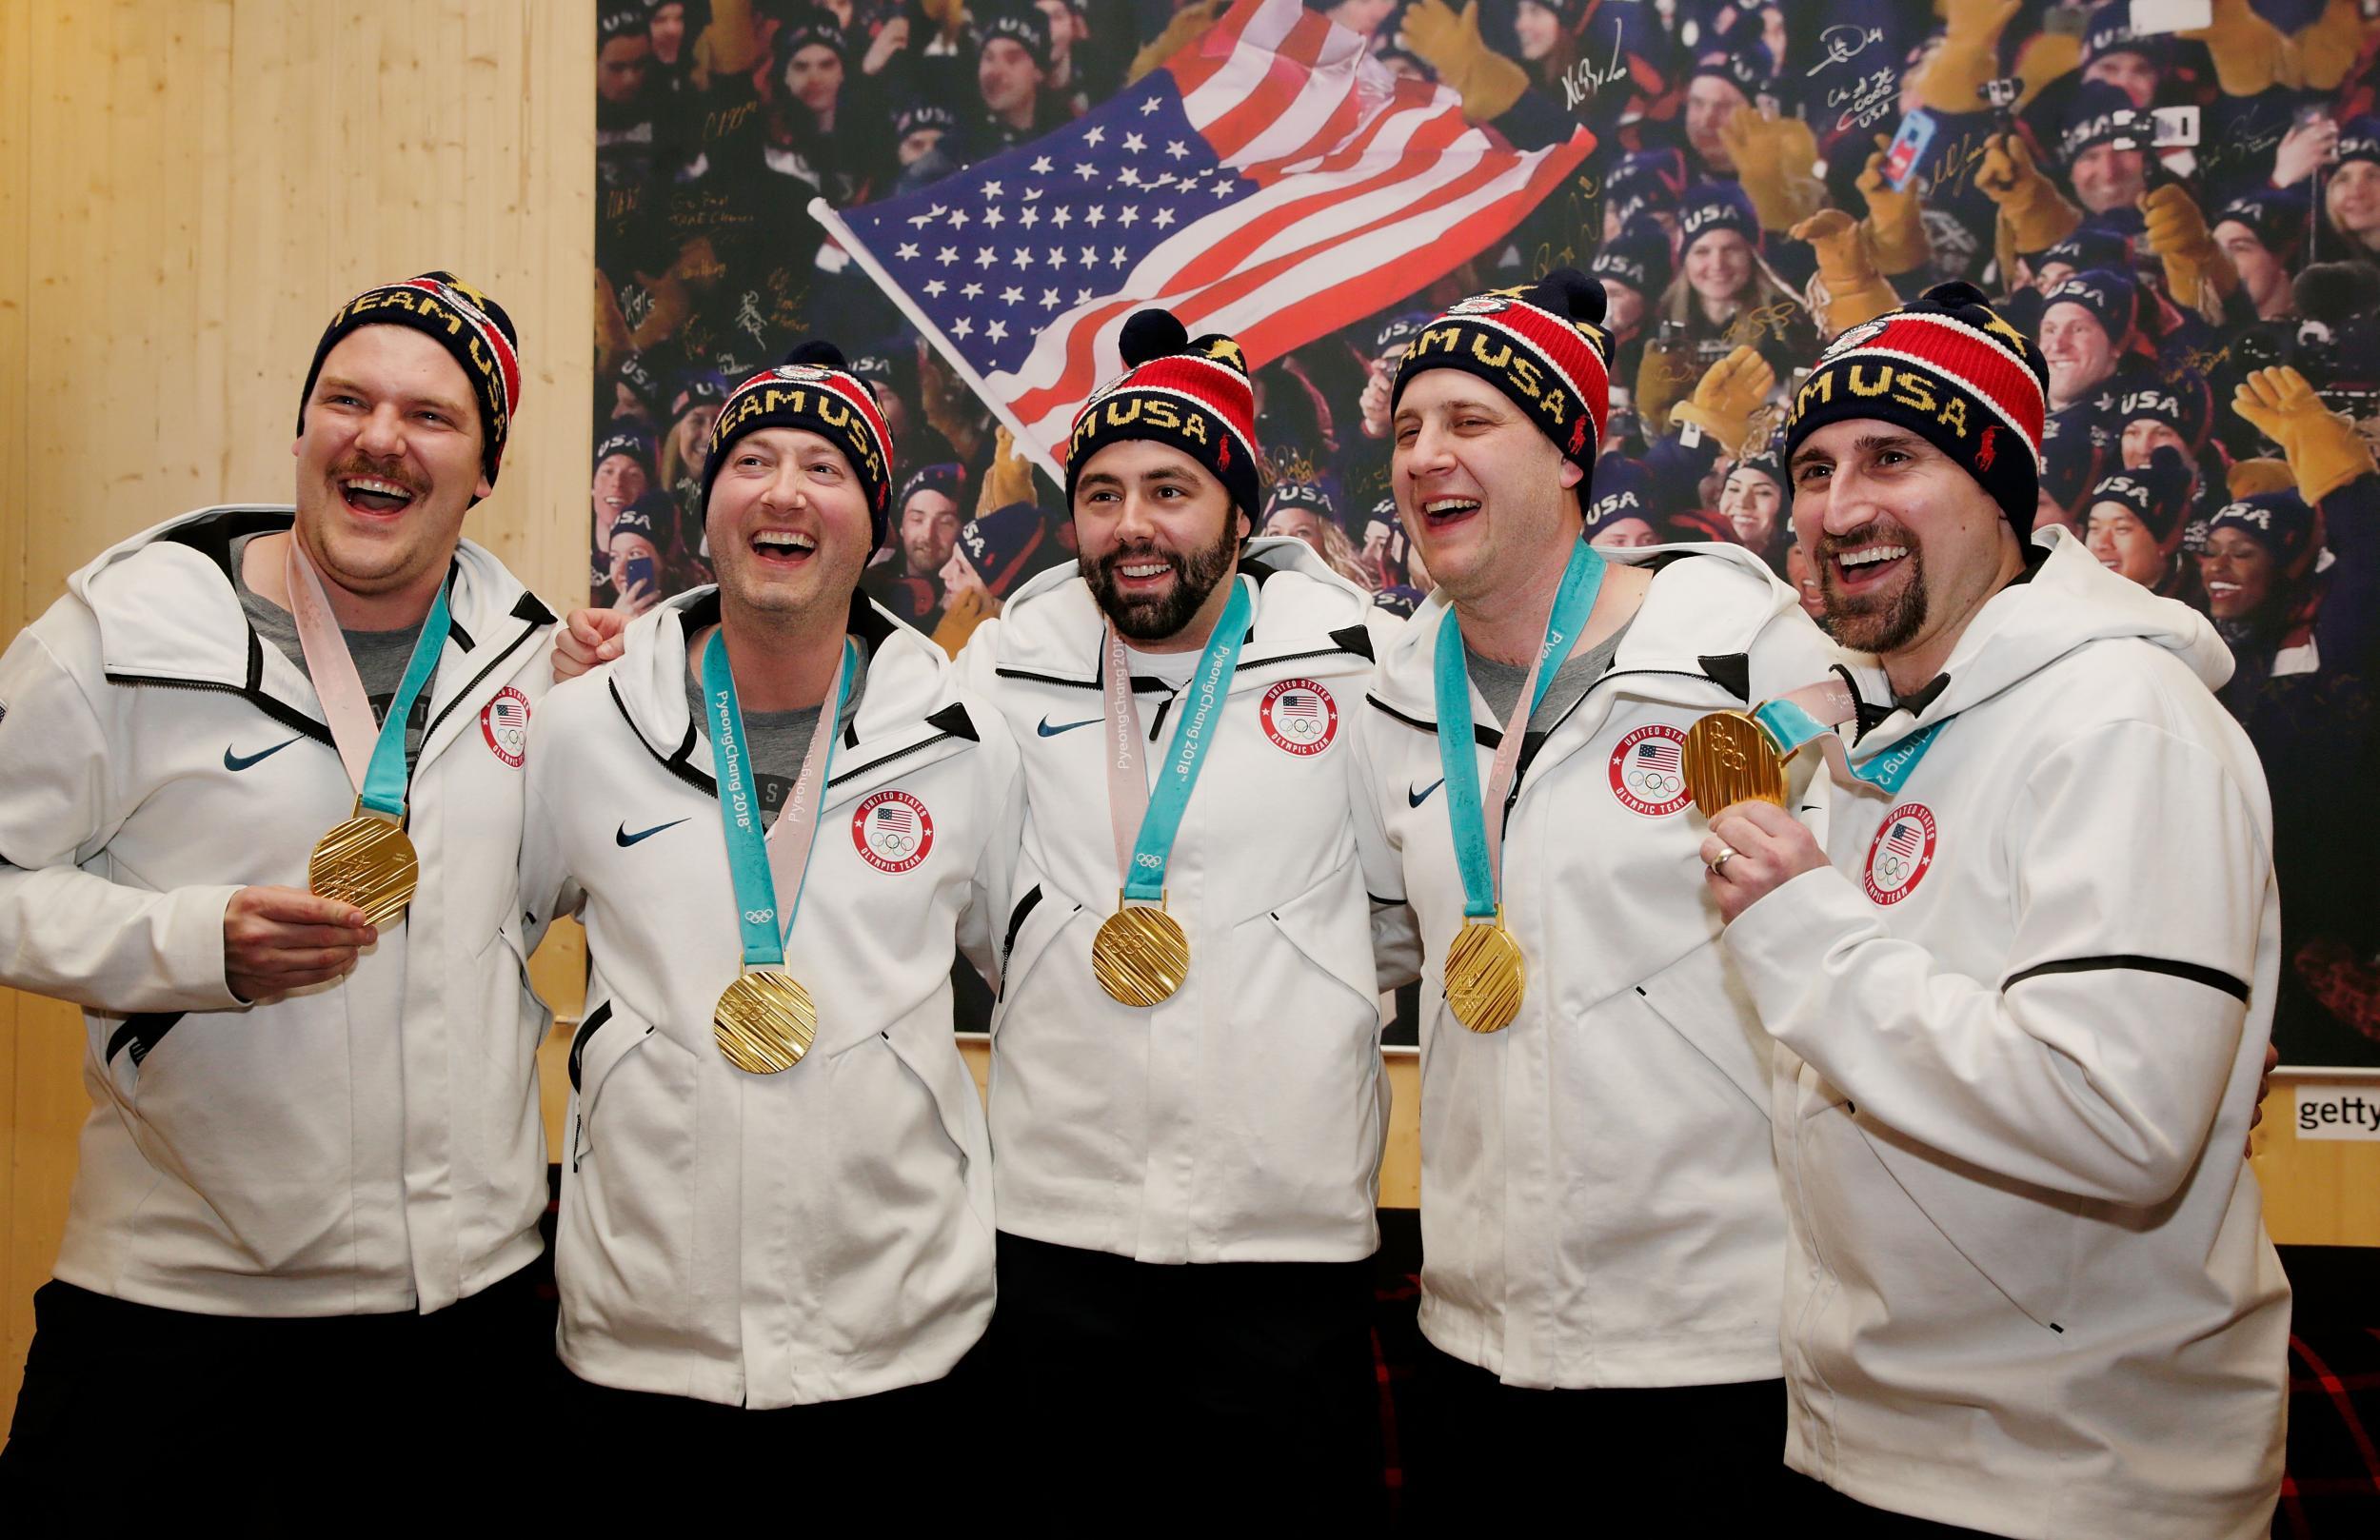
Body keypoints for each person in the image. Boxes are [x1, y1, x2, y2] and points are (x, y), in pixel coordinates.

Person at [1702, 280, 2289, 1535]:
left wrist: (1804, 928)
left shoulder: (2125, 719)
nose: (1838, 505)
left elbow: (2120, 1118)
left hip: (2075, 1485)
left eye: (1893, 458)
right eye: (1810, 468)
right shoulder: (1869, 729)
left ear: (2004, 491)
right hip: (1872, 1446)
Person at [0, 273, 559, 1510]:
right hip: (179, 1314)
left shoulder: (536, 660)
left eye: (431, 416)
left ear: (483, 470)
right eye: (346, 399)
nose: (378, 436)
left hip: (469, 1314)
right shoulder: (123, 632)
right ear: (303, 430)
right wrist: (190, 943)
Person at [1348, 269, 1838, 1523]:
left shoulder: (1743, 652)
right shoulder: (1394, 698)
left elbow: (1872, 927)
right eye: (1406, 430)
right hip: (1476, 1340)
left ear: (1571, 452)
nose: (1424, 456)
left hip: (1717, 1353)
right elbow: (1381, 938)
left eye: (1468, 422)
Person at [517, 343, 1020, 1492]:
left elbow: (1016, 960)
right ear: (706, 513)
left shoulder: (960, 739)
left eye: (825, 468)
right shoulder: (583, 727)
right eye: (753, 459)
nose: (785, 490)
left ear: (877, 528)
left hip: (903, 1346)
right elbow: (479, 933)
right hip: (640, 1349)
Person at [954, 308, 1399, 1520]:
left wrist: (1306, 970)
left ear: (1240, 512)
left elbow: (1407, 904)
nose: (1132, 525)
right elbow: (970, 896)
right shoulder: (1004, 660)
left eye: (1171, 489)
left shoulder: (1360, 657)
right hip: (1055, 1232)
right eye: (1100, 494)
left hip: (1285, 1237)